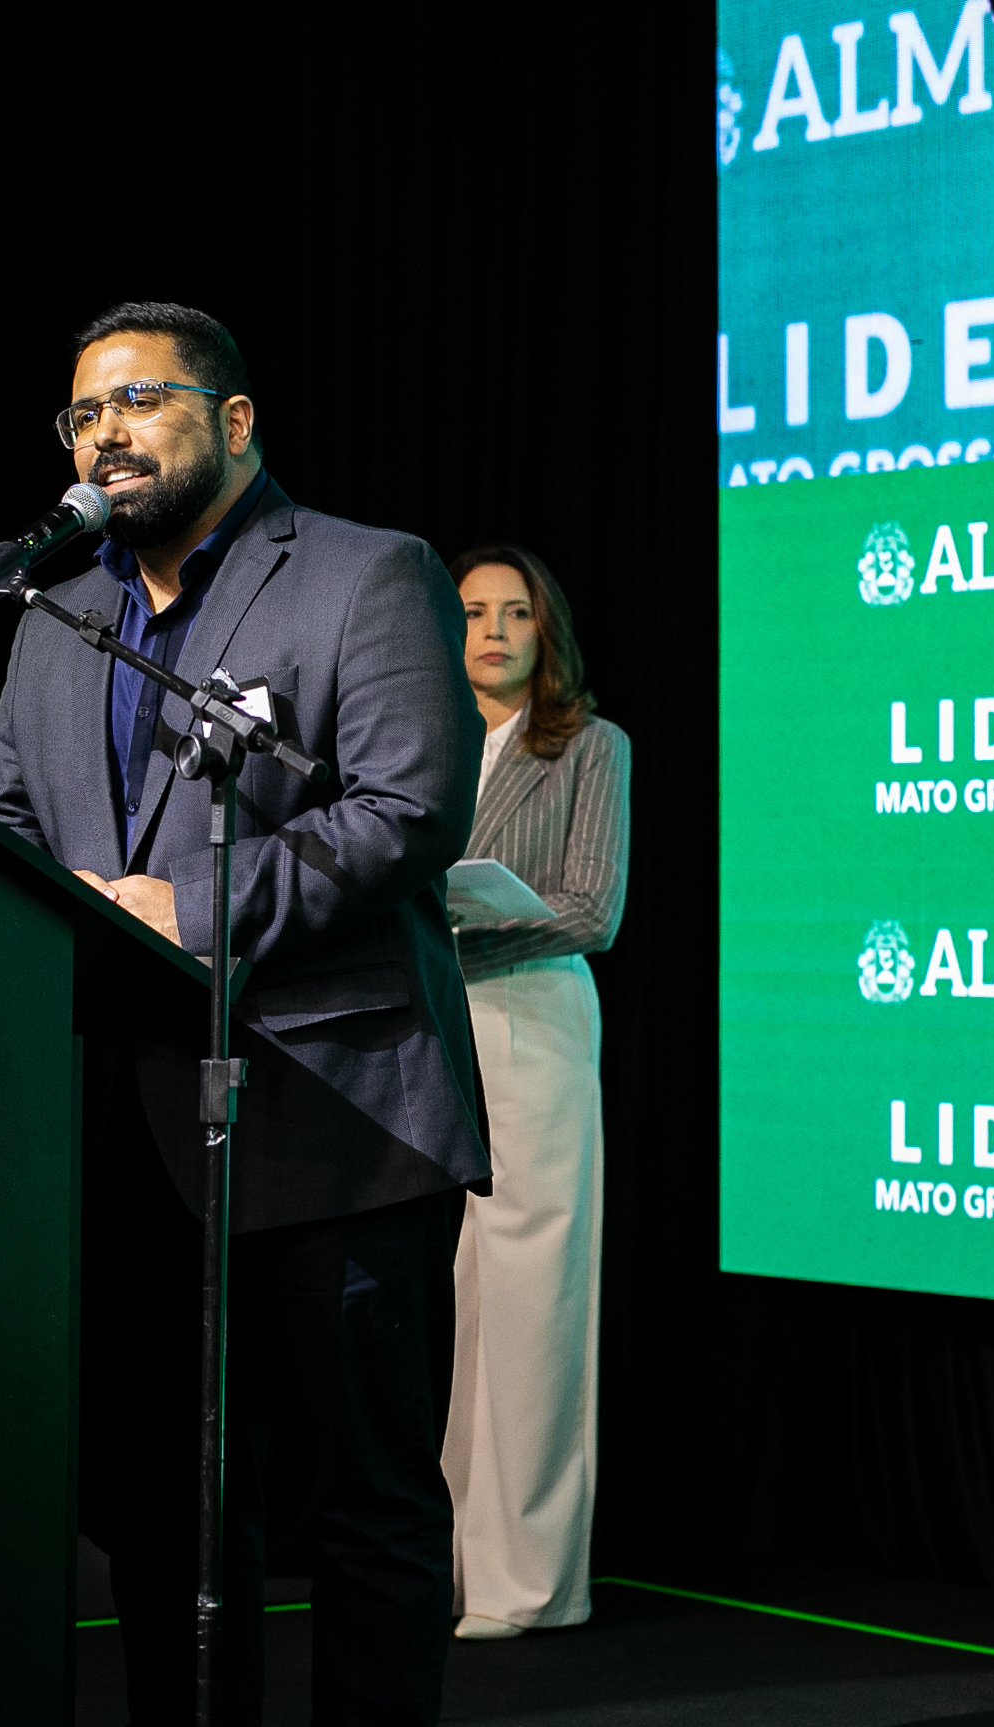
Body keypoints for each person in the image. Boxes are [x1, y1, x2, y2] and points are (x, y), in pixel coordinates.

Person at [0, 300, 487, 1727]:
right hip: (134, 1126)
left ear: (236, 418)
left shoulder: (362, 573)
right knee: (164, 1511)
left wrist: (181, 906)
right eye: (81, 414)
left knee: (362, 1506)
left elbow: (407, 812)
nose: (106, 433)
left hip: (336, 1114)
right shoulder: (58, 610)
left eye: (139, 400)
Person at [442, 547, 629, 1640]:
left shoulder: (590, 746)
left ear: (544, 631)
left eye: (515, 613)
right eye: (474, 612)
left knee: (529, 1306)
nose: (494, 631)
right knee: (449, 1303)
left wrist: (460, 923)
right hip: (436, 1021)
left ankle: (527, 1580)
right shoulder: (422, 742)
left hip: (533, 1018)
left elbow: (592, 909)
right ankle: (444, 1565)